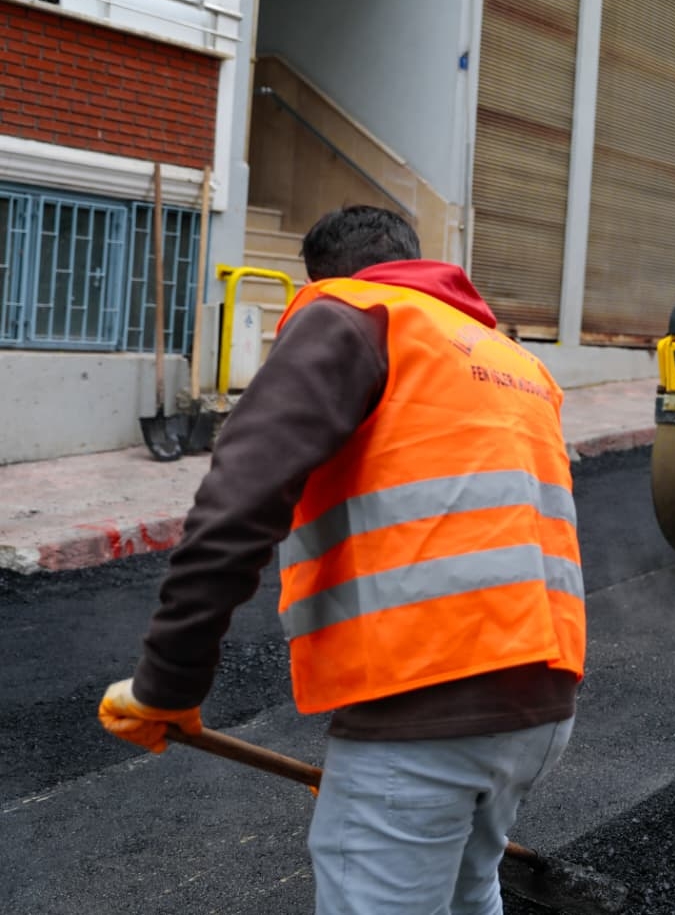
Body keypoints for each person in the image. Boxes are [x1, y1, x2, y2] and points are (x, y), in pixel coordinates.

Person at [97, 205, 584, 915]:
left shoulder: (349, 315)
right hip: (541, 707)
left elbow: (236, 505)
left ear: (323, 276)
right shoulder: (509, 358)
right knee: (465, 893)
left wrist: (166, 685)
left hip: (425, 698)